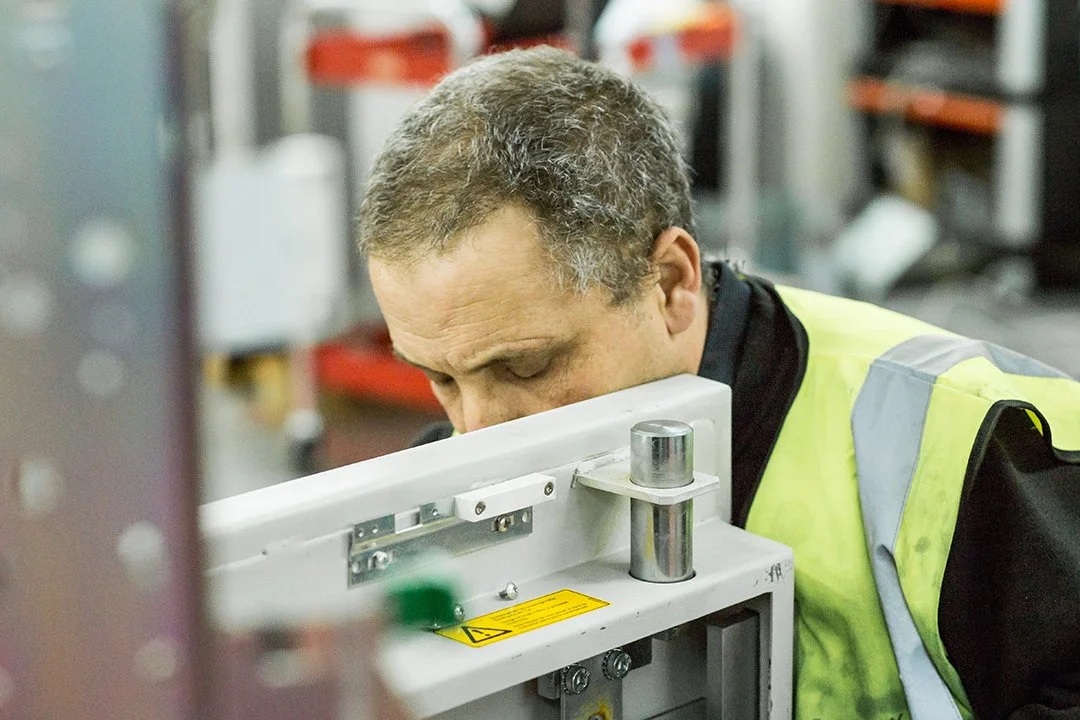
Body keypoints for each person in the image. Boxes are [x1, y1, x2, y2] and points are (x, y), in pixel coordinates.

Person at [356, 46, 1080, 720]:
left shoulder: (966, 442)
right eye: (440, 379)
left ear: (669, 283)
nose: (477, 432)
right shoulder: (457, 459)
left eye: (526, 367)